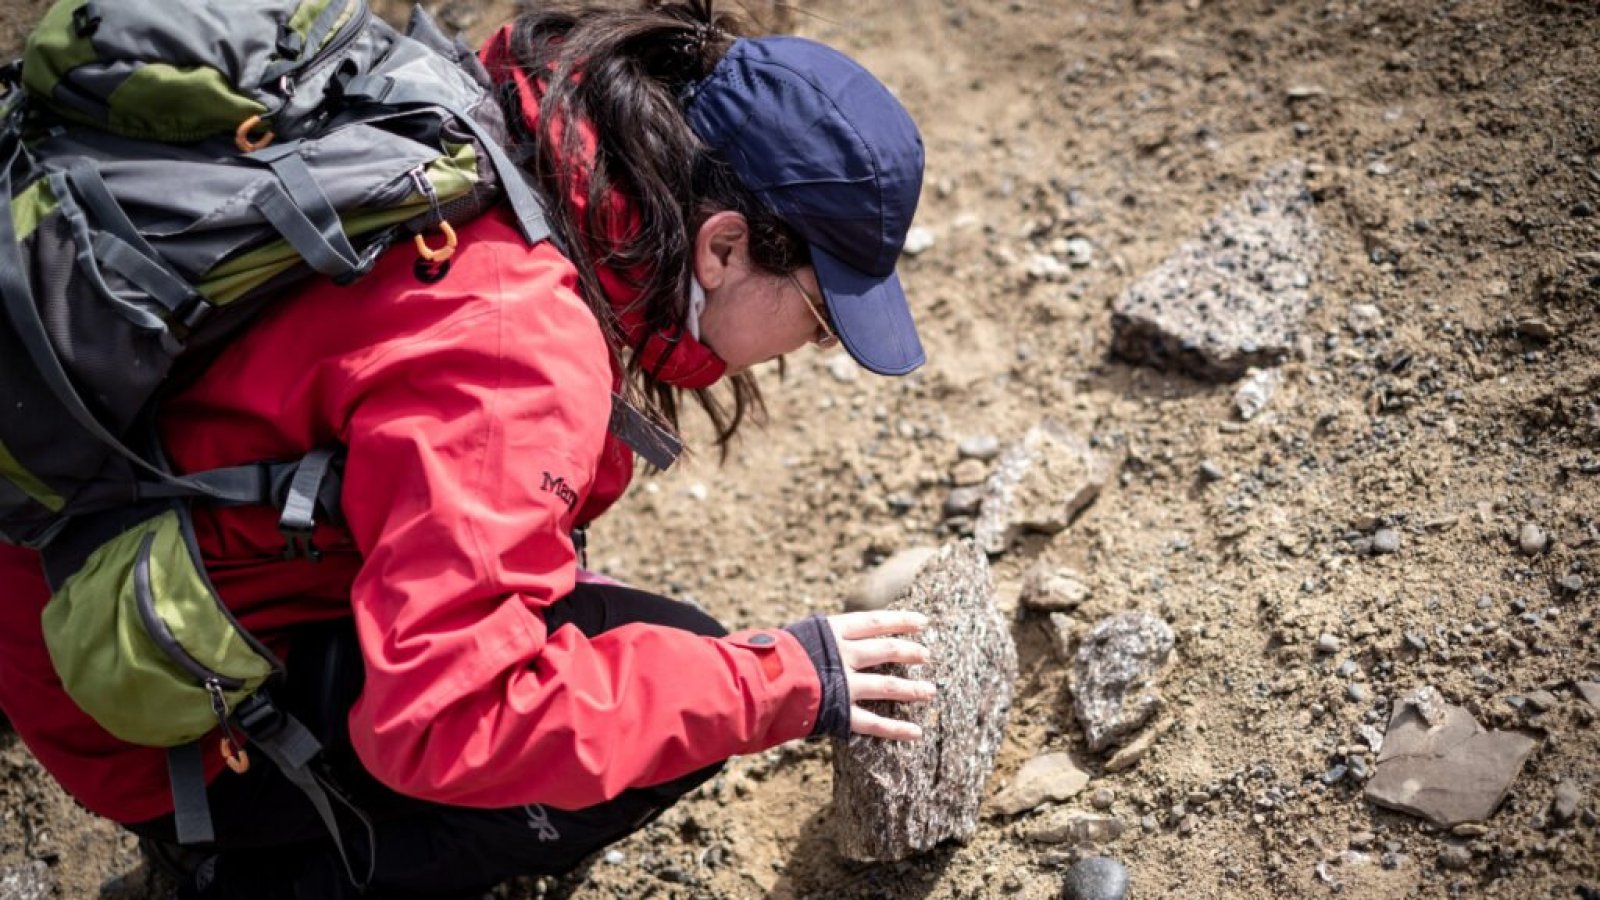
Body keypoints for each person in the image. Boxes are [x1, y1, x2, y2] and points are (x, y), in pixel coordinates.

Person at [0, 1, 934, 896]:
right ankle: (254, 874)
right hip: (122, 699)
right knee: (670, 690)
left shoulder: (509, 130)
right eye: (819, 315)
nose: (818, 349)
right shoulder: (513, 352)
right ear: (723, 248)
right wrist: (778, 680)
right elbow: (445, 722)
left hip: (70, 556)